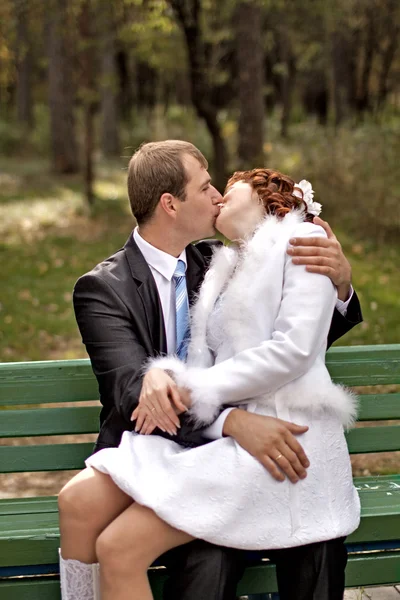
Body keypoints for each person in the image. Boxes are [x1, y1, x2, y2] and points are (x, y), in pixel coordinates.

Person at [58, 141, 362, 600]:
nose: (218, 196)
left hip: (232, 455)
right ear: (170, 204)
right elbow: (132, 393)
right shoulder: (104, 289)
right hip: (162, 440)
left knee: (267, 546)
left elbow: (282, 340)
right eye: (205, 187)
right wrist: (231, 421)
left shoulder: (217, 261)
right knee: (86, 509)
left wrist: (338, 284)